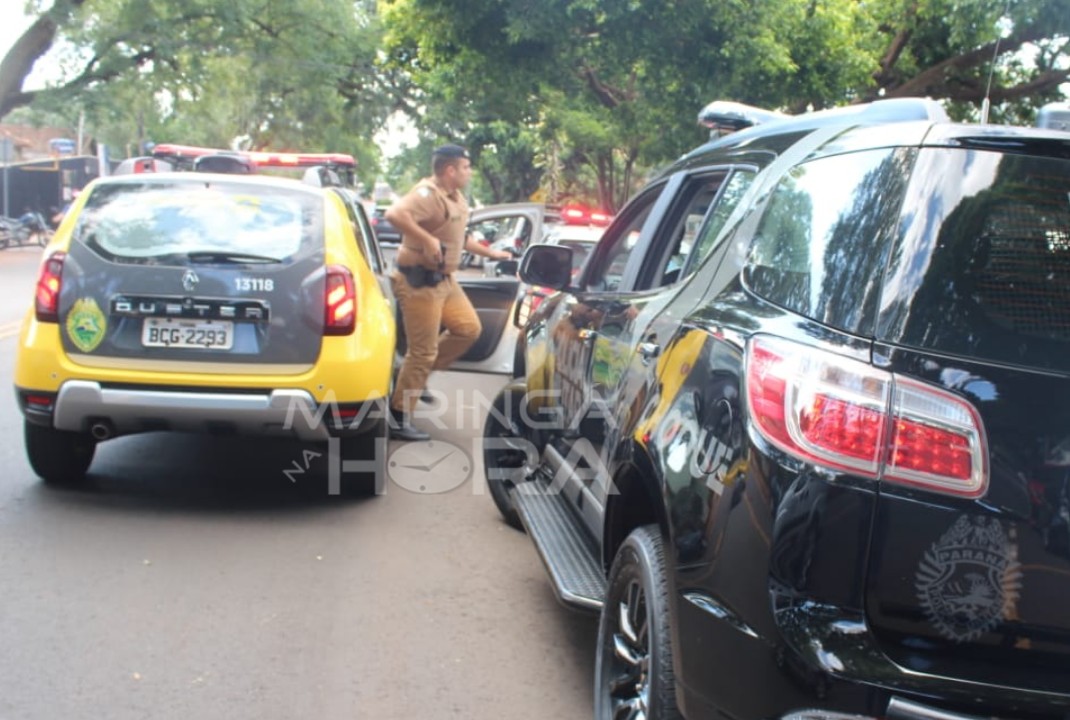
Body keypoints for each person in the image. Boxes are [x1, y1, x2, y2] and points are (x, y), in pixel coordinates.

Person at [386, 144, 513, 441]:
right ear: (450, 170)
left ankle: (411, 376)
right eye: (466, 167)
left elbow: (460, 236)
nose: (470, 172)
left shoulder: (455, 198)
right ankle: (398, 416)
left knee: (468, 329)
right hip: (420, 282)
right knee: (423, 351)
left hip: (445, 280)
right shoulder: (427, 195)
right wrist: (425, 238)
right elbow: (394, 214)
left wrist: (492, 254)